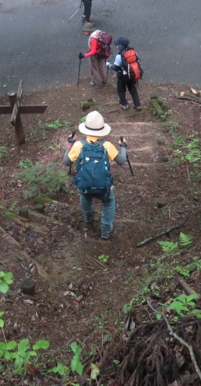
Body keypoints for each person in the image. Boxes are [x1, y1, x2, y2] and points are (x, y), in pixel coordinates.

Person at [63, 111, 127, 240]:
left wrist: (69, 143)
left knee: (84, 197)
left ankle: (88, 217)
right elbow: (121, 161)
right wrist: (123, 146)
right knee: (109, 202)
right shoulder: (107, 146)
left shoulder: (79, 145)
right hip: (103, 186)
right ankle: (106, 228)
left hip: (85, 185)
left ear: (86, 129)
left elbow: (66, 162)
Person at [110, 37, 142, 111]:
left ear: (121, 46)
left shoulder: (119, 55)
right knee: (133, 89)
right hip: (132, 74)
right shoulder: (133, 51)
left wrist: (109, 65)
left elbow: (116, 68)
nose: (117, 46)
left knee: (121, 89)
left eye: (117, 45)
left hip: (122, 76)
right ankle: (137, 104)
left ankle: (124, 104)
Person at [79, 22, 109, 87]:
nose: (84, 33)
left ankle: (96, 81)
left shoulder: (93, 38)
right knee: (101, 66)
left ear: (89, 31)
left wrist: (84, 55)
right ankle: (104, 80)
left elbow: (93, 51)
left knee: (94, 67)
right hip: (101, 53)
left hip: (95, 55)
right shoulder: (98, 32)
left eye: (85, 31)